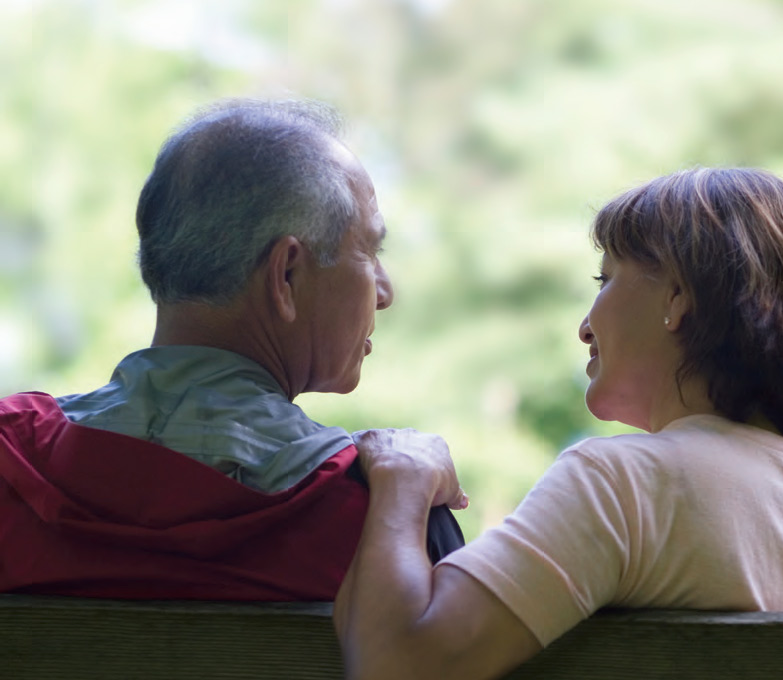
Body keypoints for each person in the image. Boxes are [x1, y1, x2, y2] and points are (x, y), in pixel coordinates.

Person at [334, 168, 783, 680]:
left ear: (677, 295)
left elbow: (399, 664)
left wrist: (402, 475)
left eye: (606, 279)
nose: (585, 326)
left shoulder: (625, 485)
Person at [0, 99, 462, 600]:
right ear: (285, 274)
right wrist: (406, 489)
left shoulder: (11, 464)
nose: (384, 291)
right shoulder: (389, 520)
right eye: (370, 251)